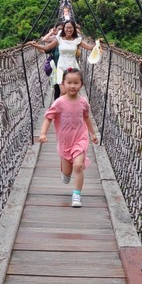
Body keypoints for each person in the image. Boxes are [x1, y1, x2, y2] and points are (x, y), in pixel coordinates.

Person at [38, 67, 98, 207]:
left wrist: (93, 133)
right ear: (63, 84)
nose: (72, 86)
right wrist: (43, 133)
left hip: (80, 138)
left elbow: (86, 118)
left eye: (76, 83)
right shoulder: (59, 103)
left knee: (78, 165)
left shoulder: (83, 102)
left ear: (81, 84)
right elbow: (48, 117)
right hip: (65, 141)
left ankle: (76, 195)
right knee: (67, 172)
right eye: (69, 82)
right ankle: (65, 172)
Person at [29, 19, 93, 96]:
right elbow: (47, 47)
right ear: (64, 28)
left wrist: (98, 44)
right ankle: (61, 104)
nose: (69, 30)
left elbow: (90, 47)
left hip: (73, 66)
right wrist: (36, 45)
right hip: (61, 66)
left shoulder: (77, 39)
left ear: (74, 29)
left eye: (71, 28)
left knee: (72, 92)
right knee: (63, 92)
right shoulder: (59, 38)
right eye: (67, 27)